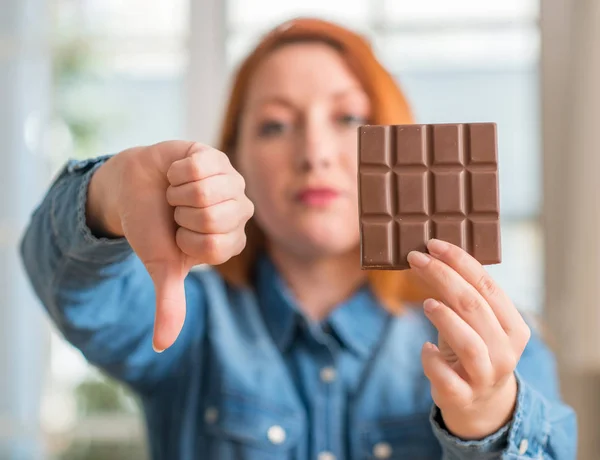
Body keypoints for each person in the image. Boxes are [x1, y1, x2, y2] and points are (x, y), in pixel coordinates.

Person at [20, 17, 576, 460]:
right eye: (275, 124)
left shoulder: (494, 342)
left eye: (348, 118)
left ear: (400, 147)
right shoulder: (188, 328)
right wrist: (107, 193)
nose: (314, 152)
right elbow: (66, 285)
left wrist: (489, 424)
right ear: (235, 158)